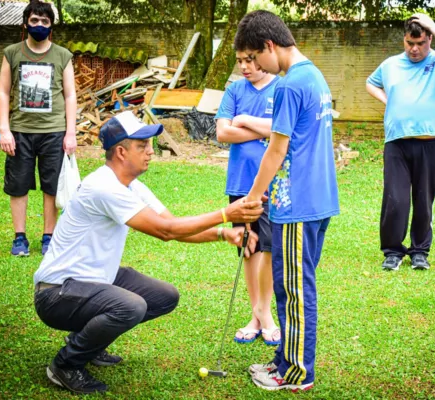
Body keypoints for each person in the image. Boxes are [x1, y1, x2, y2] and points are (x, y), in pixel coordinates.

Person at [32, 111, 264, 394]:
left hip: (93, 281)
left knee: (164, 297)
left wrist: (222, 233)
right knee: (131, 306)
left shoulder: (131, 186)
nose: (151, 152)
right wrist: (226, 214)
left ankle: (88, 343)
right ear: (120, 151)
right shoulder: (104, 187)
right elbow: (165, 231)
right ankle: (66, 364)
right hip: (57, 293)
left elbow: (173, 226)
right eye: (142, 146)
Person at [233, 10, 340, 391]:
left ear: (270, 46)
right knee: (290, 285)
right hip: (316, 201)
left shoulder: (291, 84)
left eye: (254, 58)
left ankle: (295, 374)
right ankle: (284, 361)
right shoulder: (314, 75)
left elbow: (278, 150)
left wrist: (252, 195)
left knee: (294, 290)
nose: (255, 67)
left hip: (298, 205)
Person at [365, 14, 435, 271]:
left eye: (420, 43)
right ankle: (392, 251)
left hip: (431, 144)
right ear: (404, 39)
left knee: (424, 199)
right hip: (397, 143)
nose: (414, 49)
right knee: (395, 199)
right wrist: (389, 101)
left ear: (430, 39)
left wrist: (432, 24)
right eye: (410, 42)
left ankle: (420, 251)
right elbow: (370, 83)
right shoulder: (390, 65)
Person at [0, 0, 77, 256]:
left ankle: (48, 237)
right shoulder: (12, 52)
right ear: (25, 23)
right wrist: (4, 130)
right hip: (20, 131)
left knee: (51, 186)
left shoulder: (63, 56)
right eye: (34, 20)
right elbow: (2, 91)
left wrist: (71, 133)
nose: (39, 25)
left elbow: (70, 96)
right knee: (18, 184)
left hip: (54, 131)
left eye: (44, 21)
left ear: (51, 26)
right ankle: (19, 238)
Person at [215, 49, 281, 347]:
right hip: (241, 181)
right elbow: (222, 134)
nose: (243, 67)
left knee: (268, 248)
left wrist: (242, 119)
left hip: (274, 181)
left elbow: (282, 130)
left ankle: (265, 313)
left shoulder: (281, 87)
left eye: (249, 61)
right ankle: (257, 314)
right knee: (248, 247)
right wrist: (262, 129)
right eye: (239, 61)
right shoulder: (234, 89)